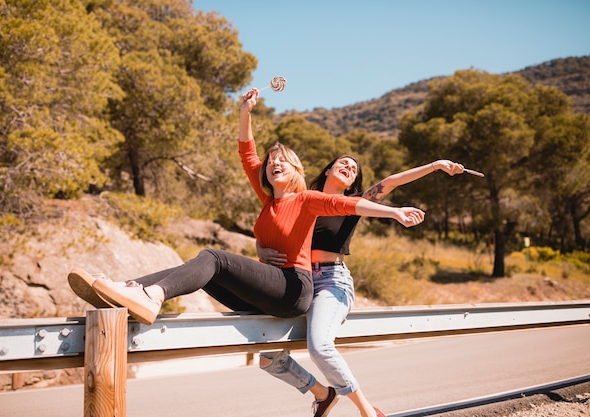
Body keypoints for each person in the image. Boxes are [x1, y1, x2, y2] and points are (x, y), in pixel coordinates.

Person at [67, 88, 426, 328]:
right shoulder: (268, 199)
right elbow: (247, 153)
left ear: (298, 170)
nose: (274, 164)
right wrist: (244, 111)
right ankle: (123, 289)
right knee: (203, 271)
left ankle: (151, 296)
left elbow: (348, 203)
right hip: (270, 292)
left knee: (214, 257)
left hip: (294, 290)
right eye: (271, 162)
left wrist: (394, 212)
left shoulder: (307, 200)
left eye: (282, 161)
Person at [256, 155, 464, 417]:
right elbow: (271, 223)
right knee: (268, 357)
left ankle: (368, 412)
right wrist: (259, 246)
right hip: (299, 282)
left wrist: (436, 166)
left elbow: (390, 183)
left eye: (354, 169)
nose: (348, 168)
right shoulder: (301, 200)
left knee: (320, 346)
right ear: (328, 168)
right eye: (343, 163)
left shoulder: (353, 204)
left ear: (353, 181)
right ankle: (322, 393)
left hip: (332, 281)